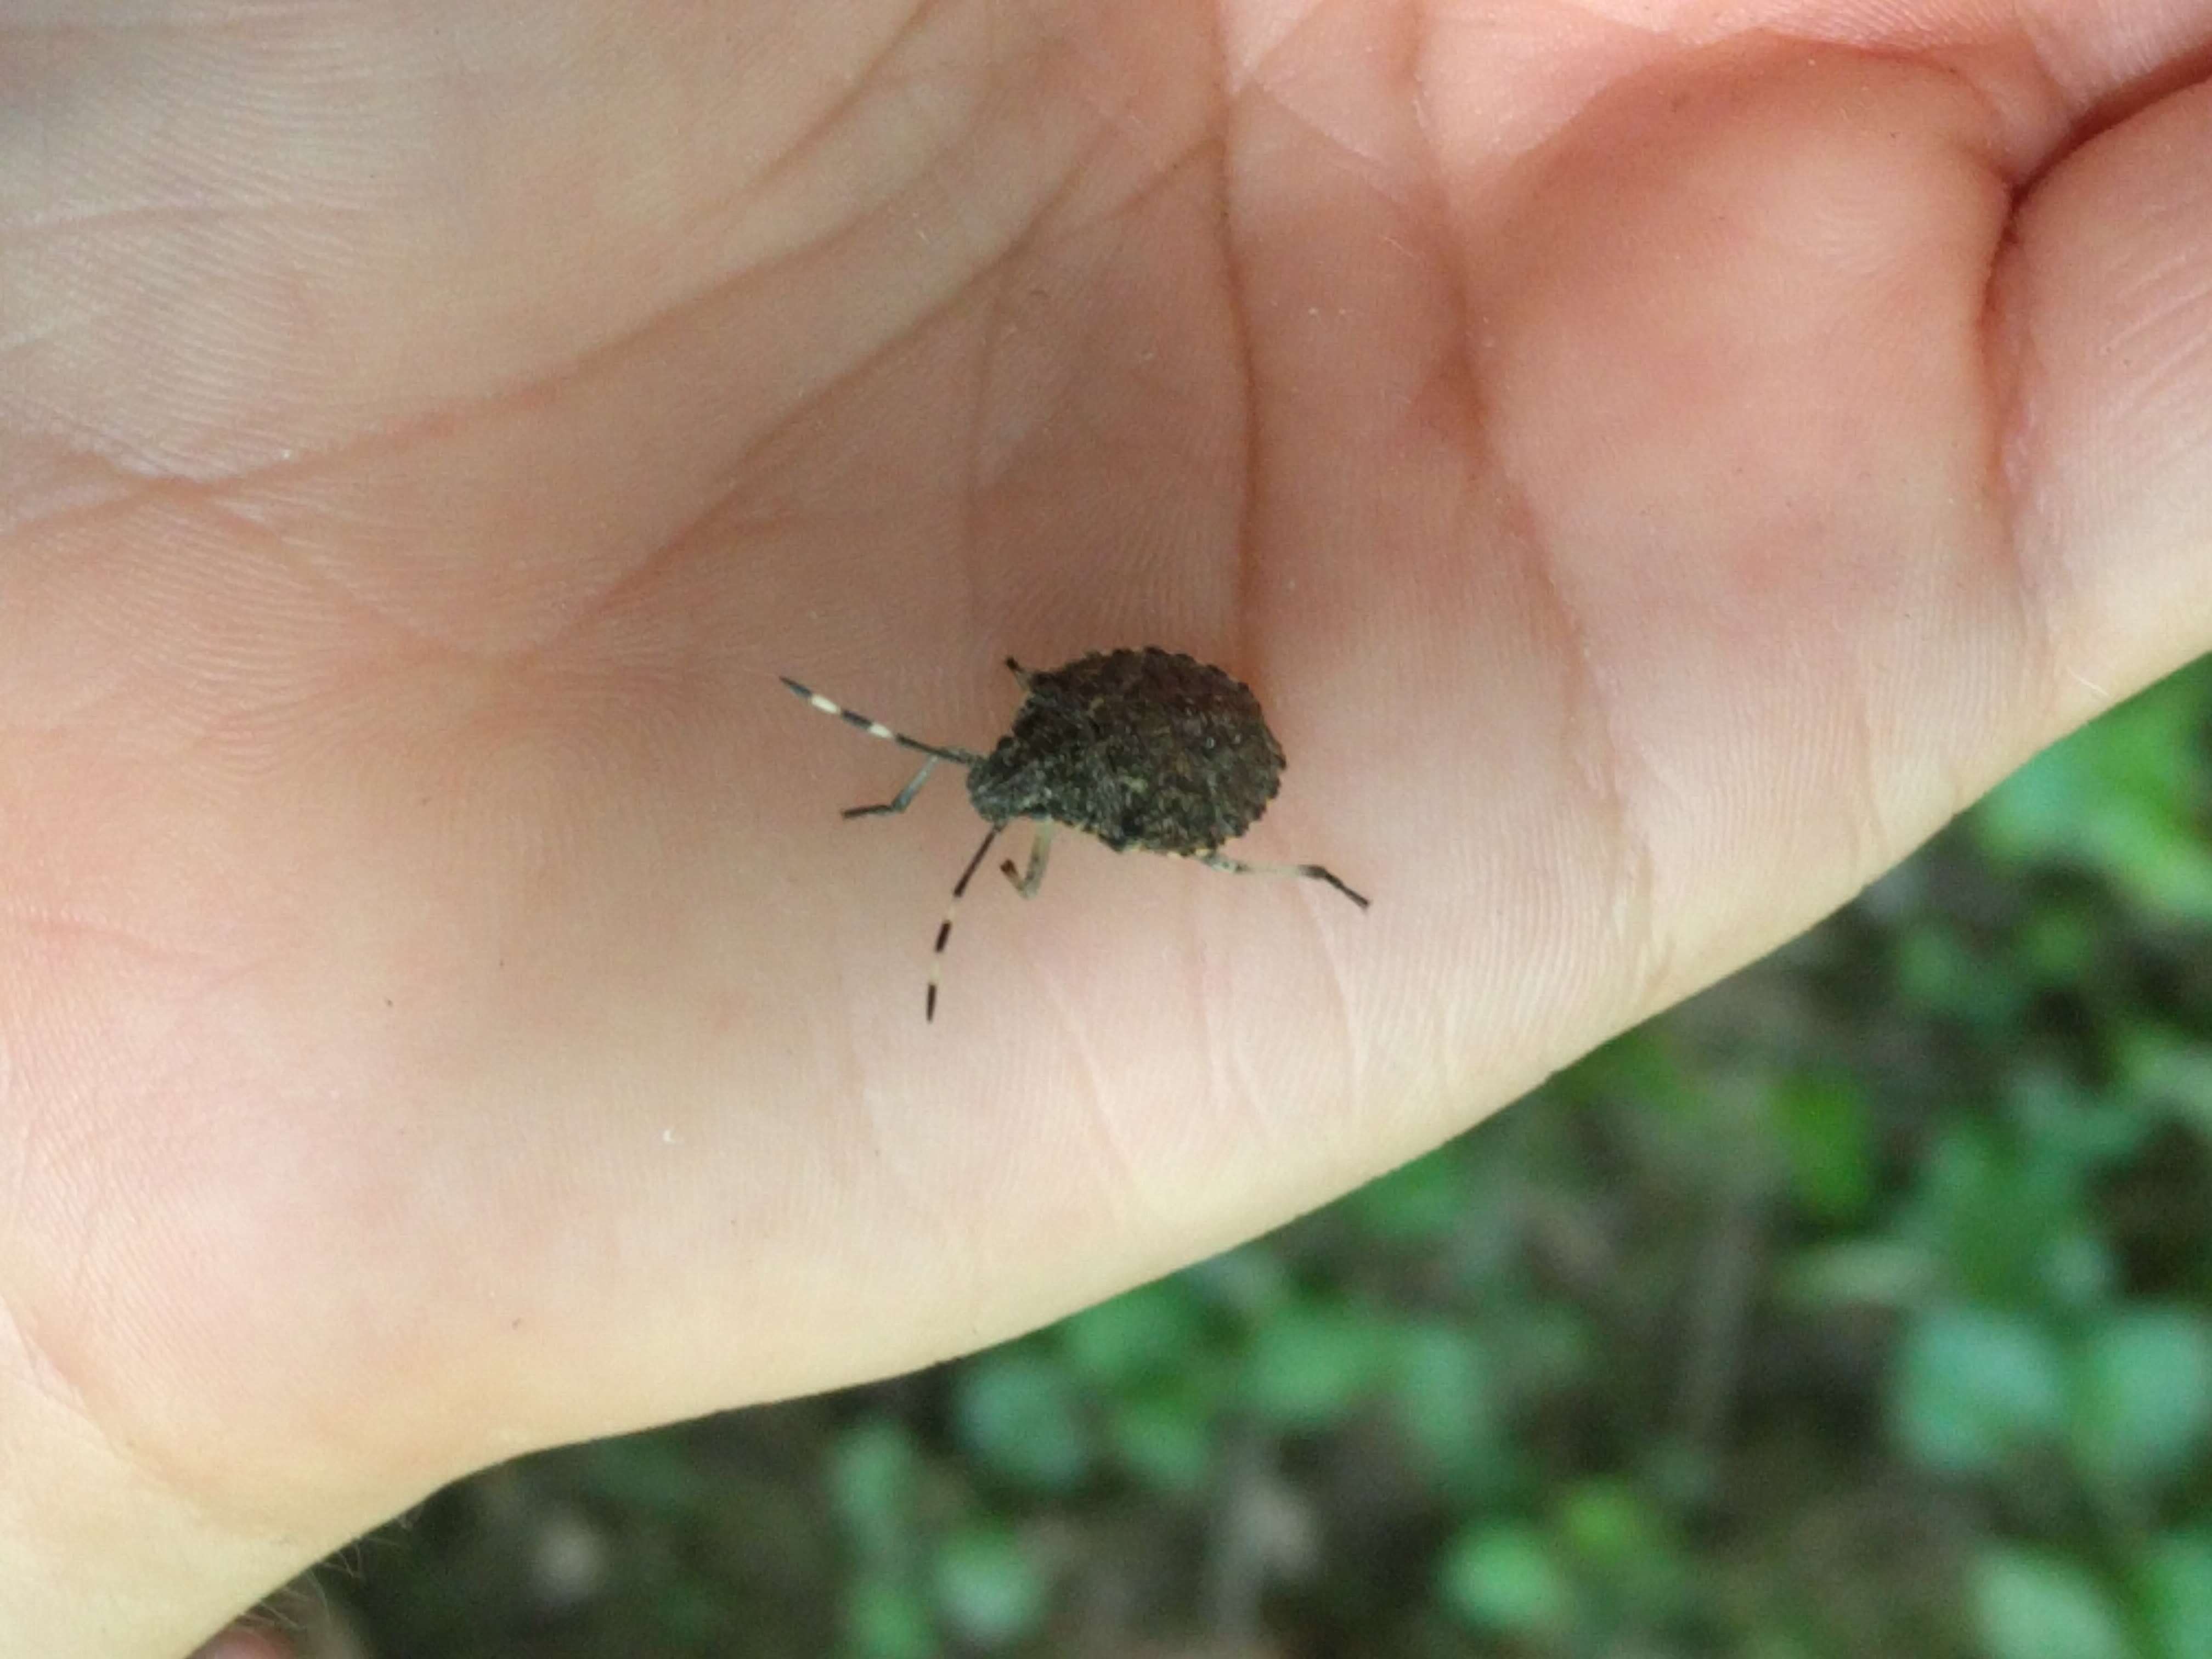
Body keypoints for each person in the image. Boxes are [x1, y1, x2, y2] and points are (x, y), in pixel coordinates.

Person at [5, 4, 2209, 1654]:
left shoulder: (1051, 759)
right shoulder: (1044, 764)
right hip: (1178, 742)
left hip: (1177, 741)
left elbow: (1046, 745)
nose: (959, 802)